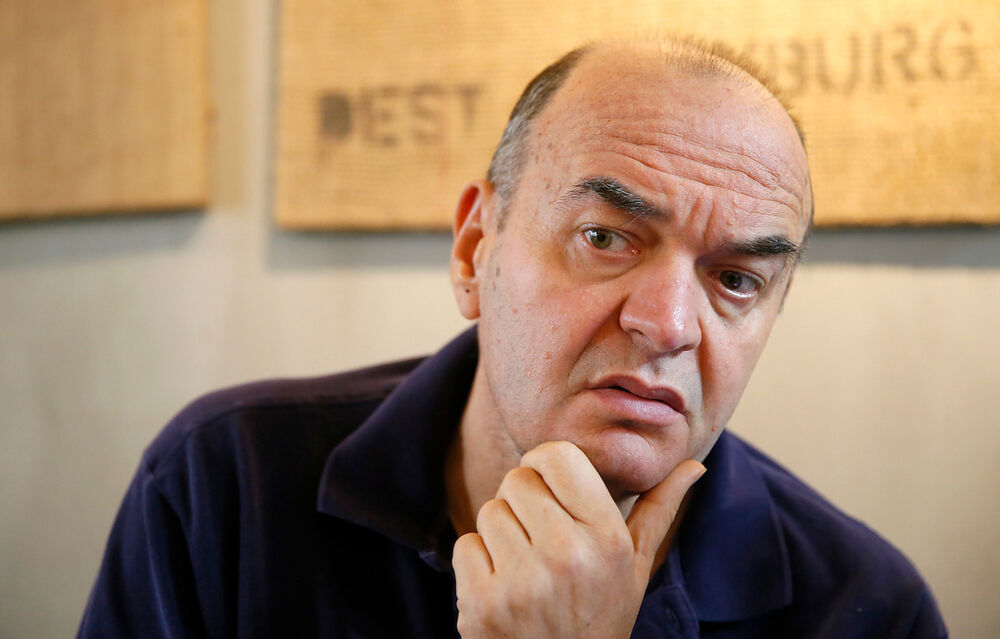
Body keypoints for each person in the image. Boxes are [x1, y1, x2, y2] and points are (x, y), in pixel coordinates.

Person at [78, 38, 948, 638]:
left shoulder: (867, 607)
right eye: (605, 237)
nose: (669, 325)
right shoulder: (224, 485)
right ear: (474, 249)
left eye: (736, 280)